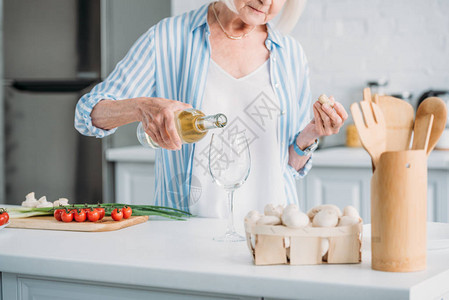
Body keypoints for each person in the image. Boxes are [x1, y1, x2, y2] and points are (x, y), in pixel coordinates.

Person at [74, 0, 348, 220]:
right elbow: (87, 114)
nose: (267, 1)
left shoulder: (290, 53)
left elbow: (291, 164)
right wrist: (140, 106)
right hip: (185, 235)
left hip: (273, 231)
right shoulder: (169, 38)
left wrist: (311, 133)